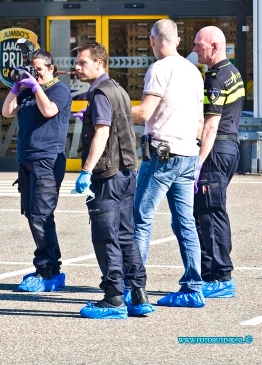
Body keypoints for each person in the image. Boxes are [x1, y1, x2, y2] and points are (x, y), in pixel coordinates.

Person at [74, 41, 154, 319]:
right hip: (127, 172)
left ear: (99, 63)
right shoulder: (117, 89)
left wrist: (86, 170)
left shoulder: (99, 94)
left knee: (106, 237)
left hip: (108, 176)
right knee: (126, 235)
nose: (77, 67)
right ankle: (139, 294)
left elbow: (102, 133)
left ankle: (114, 298)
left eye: (82, 62)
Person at [131, 19, 205, 308]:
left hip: (163, 155)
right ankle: (193, 288)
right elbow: (200, 121)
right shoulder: (193, 72)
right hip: (188, 155)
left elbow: (146, 112)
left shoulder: (159, 68)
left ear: (152, 41)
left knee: (141, 220)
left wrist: (111, 109)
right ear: (177, 40)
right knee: (185, 222)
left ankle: (133, 287)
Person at [2, 49, 72, 292]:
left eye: (39, 70)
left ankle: (47, 270)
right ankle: (48, 267)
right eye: (32, 70)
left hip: (47, 160)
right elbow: (7, 112)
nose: (36, 74)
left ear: (51, 68)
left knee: (42, 215)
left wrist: (36, 87)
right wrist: (16, 87)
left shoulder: (58, 90)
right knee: (32, 215)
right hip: (26, 159)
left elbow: (49, 111)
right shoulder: (27, 91)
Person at [193, 26, 245, 299]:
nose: (194, 49)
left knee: (209, 214)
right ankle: (212, 273)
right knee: (210, 212)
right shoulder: (232, 72)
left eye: (198, 45)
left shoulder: (215, 78)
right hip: (230, 147)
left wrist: (198, 163)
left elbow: (211, 124)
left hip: (215, 150)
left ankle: (219, 276)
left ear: (214, 46)